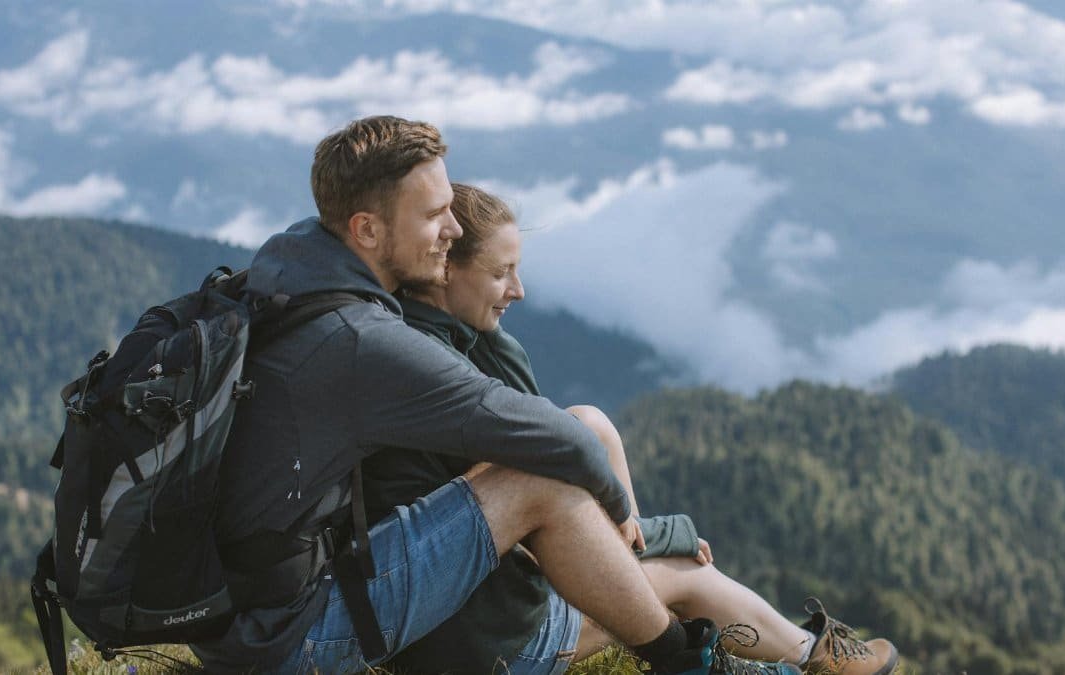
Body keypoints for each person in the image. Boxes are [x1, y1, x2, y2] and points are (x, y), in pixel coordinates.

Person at [190, 116, 737, 674]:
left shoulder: (293, 270)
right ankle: (685, 661)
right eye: (433, 215)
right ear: (367, 230)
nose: (452, 229)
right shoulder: (363, 342)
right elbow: (550, 437)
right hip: (295, 640)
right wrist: (630, 517)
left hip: (245, 621)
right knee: (533, 473)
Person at [368, 182, 900, 675]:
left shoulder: (437, 344)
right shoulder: (448, 377)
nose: (519, 290)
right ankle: (820, 659)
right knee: (684, 573)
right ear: (446, 270)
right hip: (491, 641)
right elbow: (538, 509)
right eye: (500, 272)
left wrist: (655, 532)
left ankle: (803, 649)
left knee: (589, 425)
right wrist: (675, 535)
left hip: (460, 608)